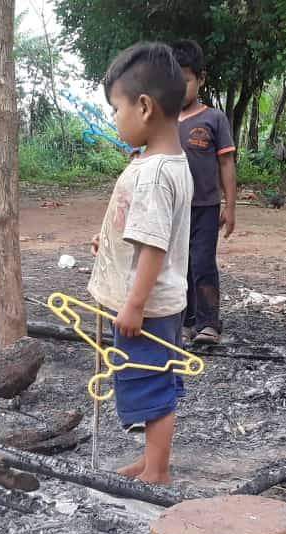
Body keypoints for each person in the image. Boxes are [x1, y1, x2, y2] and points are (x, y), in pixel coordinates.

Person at [88, 42, 193, 485]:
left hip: (146, 308)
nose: (115, 119)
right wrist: (108, 240)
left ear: (144, 107)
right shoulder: (168, 163)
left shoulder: (151, 174)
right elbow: (146, 231)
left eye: (116, 108)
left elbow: (153, 247)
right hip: (160, 300)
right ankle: (152, 463)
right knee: (154, 380)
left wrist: (133, 304)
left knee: (151, 385)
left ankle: (159, 471)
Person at [171, 39, 237, 345]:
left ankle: (210, 323)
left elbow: (226, 162)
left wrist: (231, 207)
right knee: (177, 265)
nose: (179, 87)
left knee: (202, 263)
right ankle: (186, 322)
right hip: (173, 209)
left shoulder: (214, 119)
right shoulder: (163, 120)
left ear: (200, 79)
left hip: (206, 207)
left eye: (185, 81)